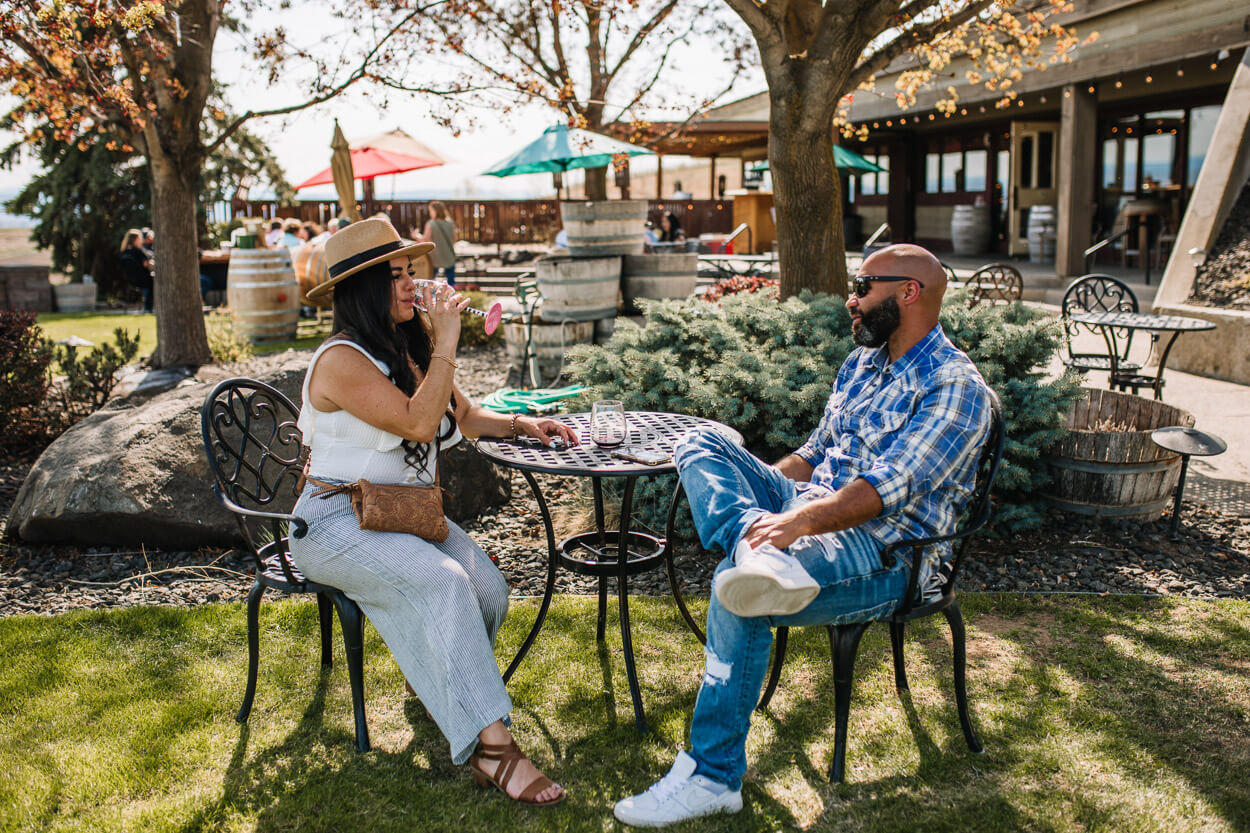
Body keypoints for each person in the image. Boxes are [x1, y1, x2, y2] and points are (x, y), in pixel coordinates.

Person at [613, 244, 993, 827]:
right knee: (700, 442)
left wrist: (798, 522)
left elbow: (884, 490)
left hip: (888, 553)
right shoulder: (864, 362)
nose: (852, 299)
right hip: (813, 511)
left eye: (864, 286)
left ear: (908, 293)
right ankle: (751, 547)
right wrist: (762, 497)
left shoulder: (953, 385)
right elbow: (815, 456)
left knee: (735, 594)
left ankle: (712, 777)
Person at [292, 218, 576, 807]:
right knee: (446, 587)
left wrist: (526, 424)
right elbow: (420, 423)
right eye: (394, 275)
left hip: (401, 512)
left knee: (489, 591)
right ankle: (494, 753)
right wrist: (447, 337)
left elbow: (463, 417)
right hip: (331, 522)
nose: (410, 284)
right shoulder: (340, 361)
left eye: (409, 271)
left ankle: (440, 686)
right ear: (363, 290)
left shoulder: (408, 346)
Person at [419, 200, 457, 285]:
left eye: (431, 211)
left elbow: (425, 240)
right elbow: (455, 238)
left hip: (435, 256)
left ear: (435, 211)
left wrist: (416, 236)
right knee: (451, 282)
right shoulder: (450, 223)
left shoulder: (431, 224)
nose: (430, 213)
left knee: (431, 281)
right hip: (449, 254)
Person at [118, 228, 154, 312]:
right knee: (153, 282)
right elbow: (146, 264)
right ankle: (148, 308)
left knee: (150, 281)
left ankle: (147, 307)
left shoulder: (124, 252)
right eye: (140, 238)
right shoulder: (138, 251)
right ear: (135, 240)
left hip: (130, 280)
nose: (142, 241)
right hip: (142, 280)